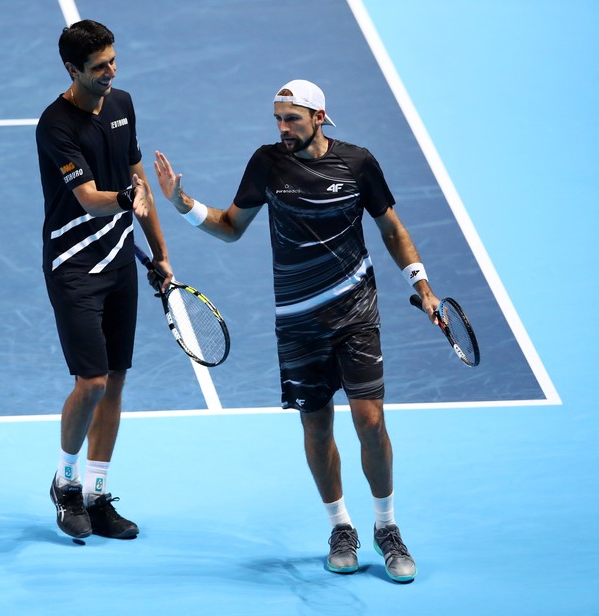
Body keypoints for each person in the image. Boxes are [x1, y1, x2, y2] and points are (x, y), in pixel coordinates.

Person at [153, 79, 437, 582]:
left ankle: (387, 528)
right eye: (278, 120)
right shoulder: (267, 163)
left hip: (356, 313)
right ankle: (341, 527)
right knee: (317, 426)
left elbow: (391, 228)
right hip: (298, 320)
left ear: (320, 117)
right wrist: (183, 204)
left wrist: (423, 285)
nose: (283, 129)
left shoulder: (358, 163)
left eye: (293, 120)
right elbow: (230, 225)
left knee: (370, 423)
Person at [35, 20, 173, 541]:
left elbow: (139, 181)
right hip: (73, 266)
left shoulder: (123, 105)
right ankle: (66, 483)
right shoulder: (55, 125)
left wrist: (161, 255)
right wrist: (126, 199)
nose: (111, 72)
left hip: (119, 264)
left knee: (115, 380)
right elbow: (92, 198)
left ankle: (96, 494)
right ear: (74, 71)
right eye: (99, 67)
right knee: (90, 382)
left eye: (113, 60)